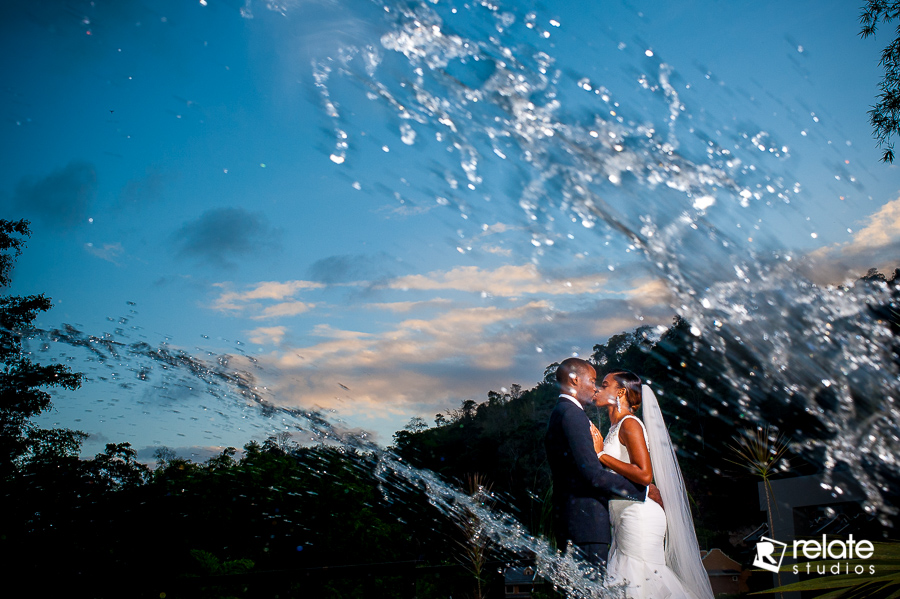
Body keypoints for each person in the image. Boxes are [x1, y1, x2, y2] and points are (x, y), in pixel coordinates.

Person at [595, 370, 714, 599]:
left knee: (642, 581)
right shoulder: (613, 428)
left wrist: (600, 455)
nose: (598, 389)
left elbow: (644, 474)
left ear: (620, 391)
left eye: (604, 384)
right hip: (623, 514)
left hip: (639, 516)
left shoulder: (630, 424)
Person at [544, 358, 650, 566]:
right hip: (586, 524)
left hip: (580, 522)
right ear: (574, 380)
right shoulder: (573, 415)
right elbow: (593, 476)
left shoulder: (563, 413)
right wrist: (642, 492)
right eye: (593, 381)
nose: (594, 389)